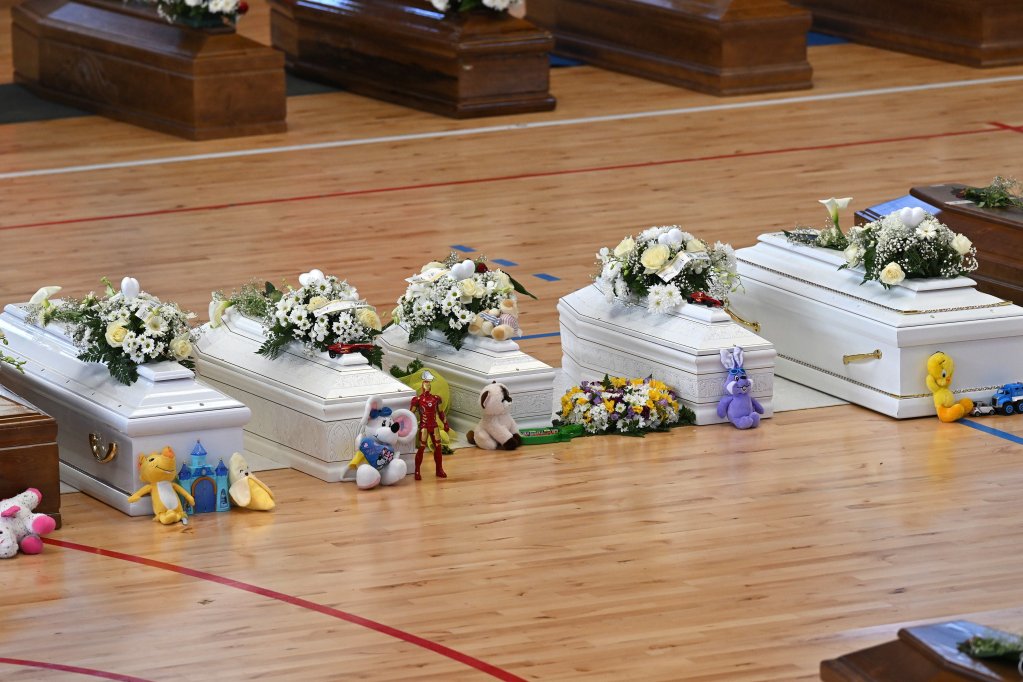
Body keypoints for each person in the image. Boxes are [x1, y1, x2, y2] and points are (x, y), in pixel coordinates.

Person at [409, 370, 450, 480]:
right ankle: (417, 471)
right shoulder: (418, 400)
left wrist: (445, 423)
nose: (427, 386)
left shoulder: (436, 398)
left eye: (428, 385)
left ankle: (439, 469)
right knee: (422, 448)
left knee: (438, 447)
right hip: (424, 426)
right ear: (422, 387)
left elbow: (440, 412)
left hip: (435, 425)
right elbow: (410, 414)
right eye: (425, 385)